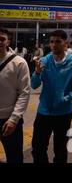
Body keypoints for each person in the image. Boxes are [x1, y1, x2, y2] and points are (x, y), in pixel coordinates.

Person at [31, 30, 72, 163]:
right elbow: (33, 85)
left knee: (60, 151)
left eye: (58, 41)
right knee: (38, 148)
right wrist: (37, 73)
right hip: (43, 112)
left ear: (65, 43)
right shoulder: (44, 61)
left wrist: (65, 99)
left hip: (63, 114)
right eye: (52, 42)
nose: (54, 45)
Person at [0, 28, 31, 163]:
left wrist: (14, 119)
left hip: (9, 120)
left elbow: (24, 93)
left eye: (2, 39)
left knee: (14, 157)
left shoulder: (19, 62)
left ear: (8, 41)